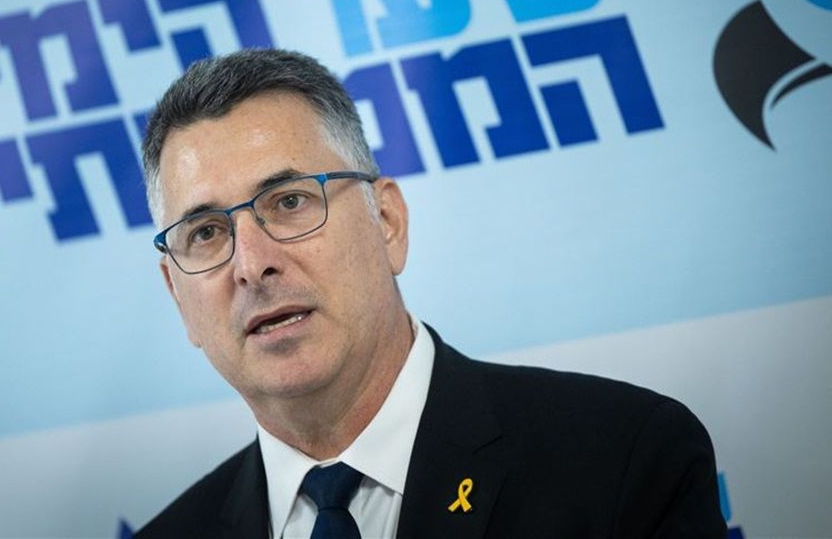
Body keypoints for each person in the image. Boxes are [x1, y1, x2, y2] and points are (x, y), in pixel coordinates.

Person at [134, 48, 726, 538]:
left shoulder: (623, 459)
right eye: (205, 233)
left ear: (388, 223)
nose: (252, 264)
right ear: (177, 297)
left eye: (290, 202)